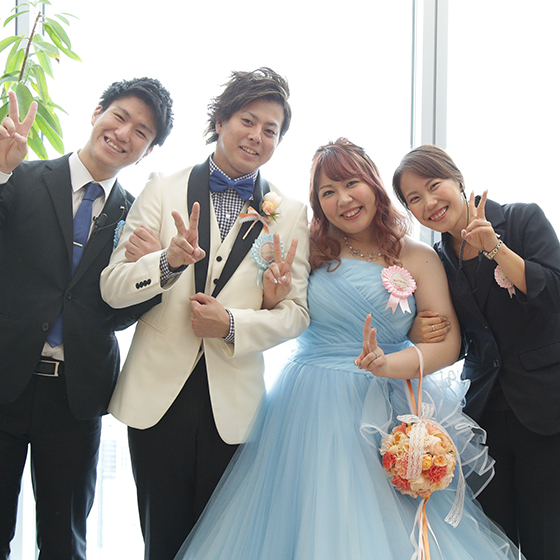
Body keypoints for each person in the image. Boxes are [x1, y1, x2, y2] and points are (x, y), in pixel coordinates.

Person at [170, 138, 523, 560]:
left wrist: (391, 363)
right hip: (307, 405)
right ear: (318, 204)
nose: (343, 199)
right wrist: (271, 298)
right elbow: (279, 316)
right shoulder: (308, 249)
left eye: (351, 183)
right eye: (328, 192)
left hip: (388, 401)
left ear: (373, 185)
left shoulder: (417, 256)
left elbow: (447, 342)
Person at [99, 67, 310, 560]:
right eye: (247, 121)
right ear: (220, 121)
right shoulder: (161, 187)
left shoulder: (289, 213)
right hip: (156, 399)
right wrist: (166, 264)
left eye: (270, 130)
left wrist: (232, 324)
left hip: (234, 406)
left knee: (223, 547)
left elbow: (296, 314)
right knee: (162, 542)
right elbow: (112, 287)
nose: (256, 136)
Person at [0, 78, 174, 560]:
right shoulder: (21, 177)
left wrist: (153, 269)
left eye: (141, 132)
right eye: (119, 116)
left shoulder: (138, 217)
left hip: (75, 395)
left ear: (147, 151)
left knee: (64, 541)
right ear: (97, 112)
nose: (123, 134)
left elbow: (121, 316)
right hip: (4, 379)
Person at [393, 144, 560, 560]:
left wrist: (496, 248)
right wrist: (417, 328)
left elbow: (554, 295)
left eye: (434, 186)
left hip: (545, 407)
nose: (429, 202)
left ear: (457, 180)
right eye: (414, 199)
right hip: (483, 416)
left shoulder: (522, 219)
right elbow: (455, 336)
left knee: (547, 537)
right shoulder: (437, 259)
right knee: (493, 538)